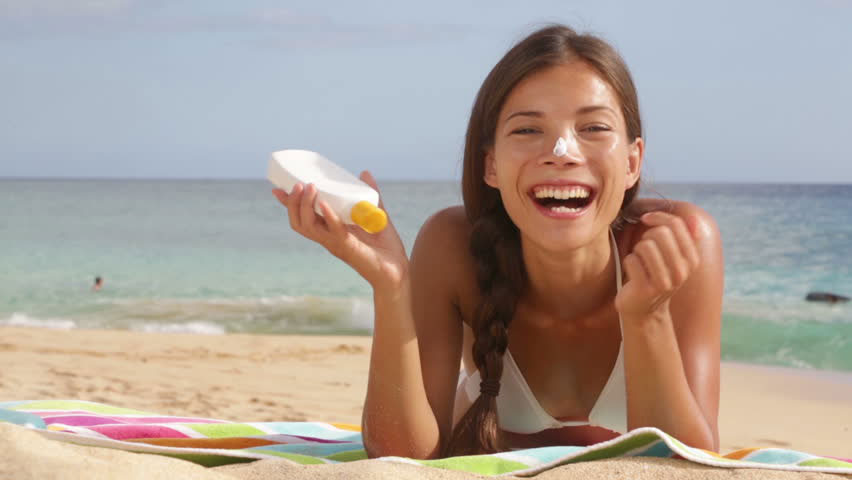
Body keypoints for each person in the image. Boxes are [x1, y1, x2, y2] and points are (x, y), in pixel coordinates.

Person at [272, 24, 723, 459]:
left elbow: (692, 468)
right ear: (491, 166)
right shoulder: (454, 247)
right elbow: (399, 457)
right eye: (528, 130)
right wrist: (391, 287)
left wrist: (648, 318)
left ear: (632, 161)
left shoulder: (678, 241)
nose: (561, 152)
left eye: (593, 128)